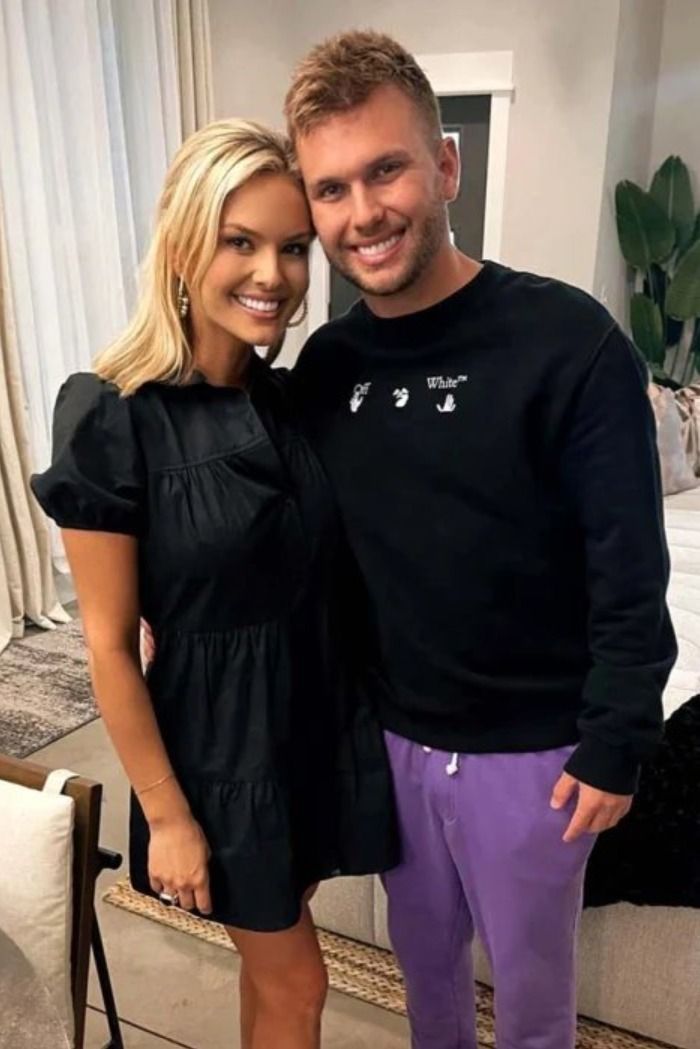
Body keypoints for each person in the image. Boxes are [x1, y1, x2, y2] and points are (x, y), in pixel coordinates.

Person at [282, 30, 677, 1049]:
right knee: (427, 994)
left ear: (445, 162)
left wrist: (617, 739)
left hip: (534, 755)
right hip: (394, 744)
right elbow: (296, 543)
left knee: (537, 1014)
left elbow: (628, 561)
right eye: (330, 189)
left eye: (386, 169)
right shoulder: (326, 368)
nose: (362, 212)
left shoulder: (569, 341)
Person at [31, 119, 398, 1049]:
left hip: (307, 728)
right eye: (241, 242)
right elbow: (110, 645)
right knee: (299, 982)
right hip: (219, 754)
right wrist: (168, 813)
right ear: (186, 244)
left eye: (290, 248)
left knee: (272, 974)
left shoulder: (283, 399)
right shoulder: (111, 415)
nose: (271, 274)